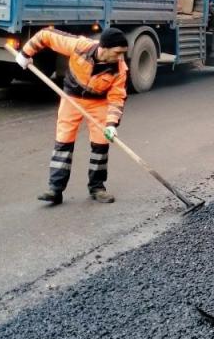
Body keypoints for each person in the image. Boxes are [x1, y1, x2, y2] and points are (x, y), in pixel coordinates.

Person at [15, 26, 129, 205]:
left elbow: (117, 97)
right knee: (63, 141)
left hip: (98, 103)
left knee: (101, 144)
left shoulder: (119, 68)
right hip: (72, 98)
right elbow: (46, 35)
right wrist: (26, 53)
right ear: (104, 47)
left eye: (123, 53)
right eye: (117, 52)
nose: (120, 57)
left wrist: (111, 124)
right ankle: (55, 189)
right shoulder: (79, 46)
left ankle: (97, 187)